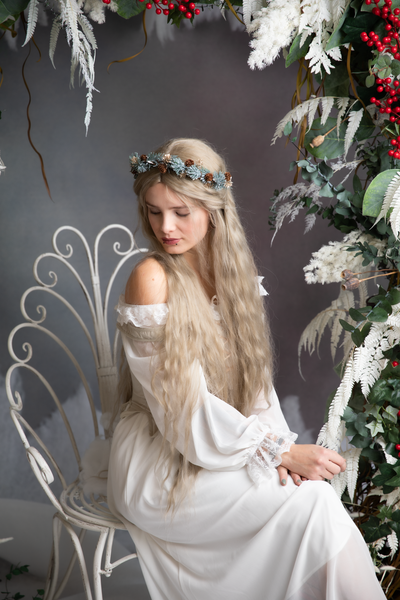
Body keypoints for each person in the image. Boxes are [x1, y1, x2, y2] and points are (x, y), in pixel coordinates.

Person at [107, 138, 386, 600]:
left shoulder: (234, 277)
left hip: (219, 442)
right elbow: (182, 413)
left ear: (214, 210)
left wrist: (282, 455)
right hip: (161, 459)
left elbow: (257, 394)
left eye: (180, 212)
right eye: (154, 212)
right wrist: (279, 452)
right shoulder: (152, 278)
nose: (165, 227)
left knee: (309, 498)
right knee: (314, 503)